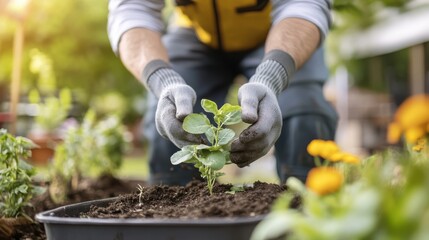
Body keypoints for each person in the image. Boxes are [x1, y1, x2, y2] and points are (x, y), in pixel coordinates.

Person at [107, 0, 337, 185]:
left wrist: (272, 76)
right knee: (171, 121)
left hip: (280, 28)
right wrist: (162, 81)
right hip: (195, 31)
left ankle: (309, 212)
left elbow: (302, 4)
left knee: (304, 113)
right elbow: (132, 8)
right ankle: (173, 219)